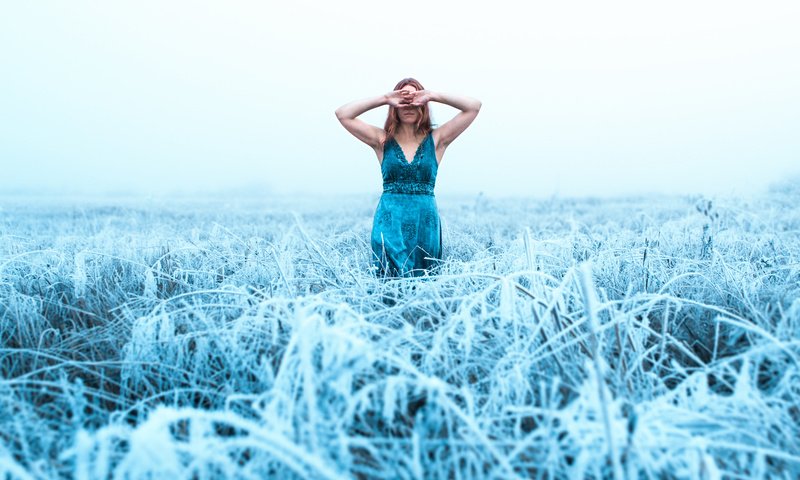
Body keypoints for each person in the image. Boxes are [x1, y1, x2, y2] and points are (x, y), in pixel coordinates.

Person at [335, 78, 481, 278]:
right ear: (394, 106)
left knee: (425, 282)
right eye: (403, 100)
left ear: (424, 105)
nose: (409, 105)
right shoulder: (381, 140)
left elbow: (473, 107)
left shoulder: (437, 140)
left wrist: (431, 95)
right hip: (390, 222)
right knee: (388, 281)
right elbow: (343, 114)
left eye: (414, 100)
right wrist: (386, 98)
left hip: (425, 223)